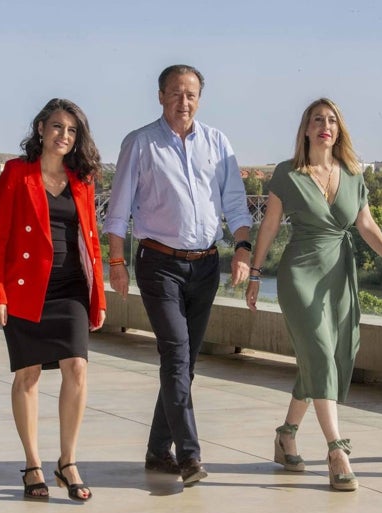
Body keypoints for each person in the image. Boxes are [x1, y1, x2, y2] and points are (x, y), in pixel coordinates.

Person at [245, 98, 382, 491]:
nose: (325, 125)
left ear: (339, 130)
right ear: (305, 129)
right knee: (319, 353)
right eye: (317, 119)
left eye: (332, 120)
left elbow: (365, 221)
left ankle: (286, 435)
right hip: (300, 272)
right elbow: (268, 226)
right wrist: (254, 272)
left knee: (330, 356)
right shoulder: (288, 173)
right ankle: (336, 450)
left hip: (340, 273)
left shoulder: (352, 173)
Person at [103, 64, 252, 486]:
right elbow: (119, 211)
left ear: (199, 98)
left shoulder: (218, 143)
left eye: (190, 94)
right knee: (176, 354)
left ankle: (156, 451)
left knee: (183, 365)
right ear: (160, 96)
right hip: (158, 264)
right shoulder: (140, 143)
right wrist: (116, 262)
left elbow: (236, 206)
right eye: (174, 93)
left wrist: (241, 249)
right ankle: (189, 456)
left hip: (206, 264)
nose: (182, 102)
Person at [0, 98, 106, 502]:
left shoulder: (82, 179)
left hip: (70, 287)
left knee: (77, 368)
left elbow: (92, 242)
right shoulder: (17, 173)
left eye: (71, 131)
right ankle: (34, 463)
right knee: (29, 375)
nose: (64, 136)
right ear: (40, 129)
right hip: (25, 287)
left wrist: (98, 298)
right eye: (57, 127)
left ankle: (67, 461)